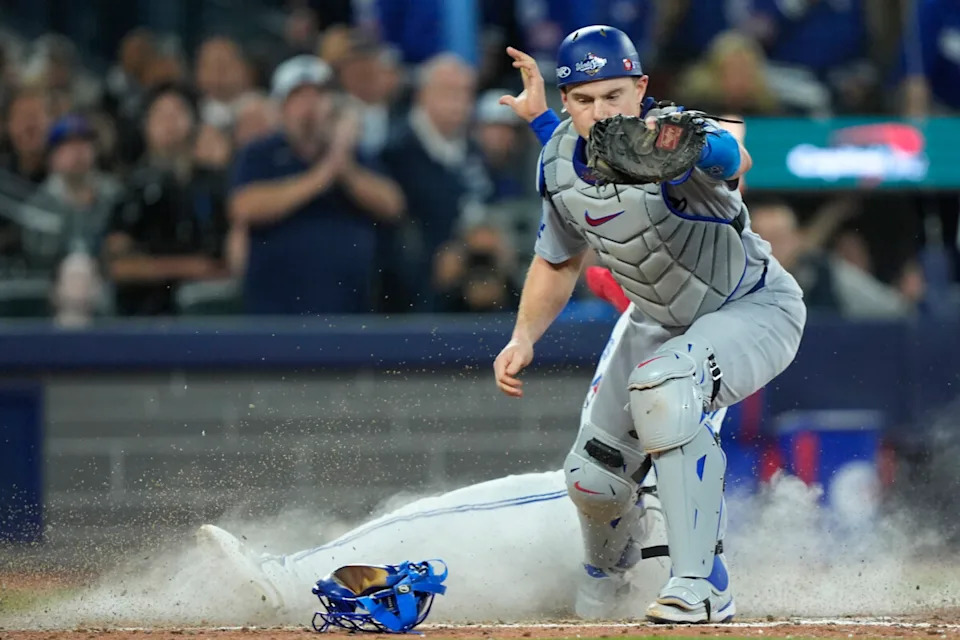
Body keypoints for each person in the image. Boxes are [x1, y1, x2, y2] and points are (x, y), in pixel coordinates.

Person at [491, 26, 806, 623]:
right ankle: (607, 579)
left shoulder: (674, 131)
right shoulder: (557, 159)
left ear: (640, 88)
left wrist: (696, 148)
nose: (601, 111)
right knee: (593, 476)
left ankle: (702, 585)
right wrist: (523, 336)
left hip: (750, 306)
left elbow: (734, 154)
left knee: (666, 384)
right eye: (584, 100)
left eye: (614, 95)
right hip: (659, 320)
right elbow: (556, 261)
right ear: (566, 102)